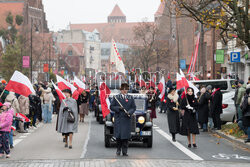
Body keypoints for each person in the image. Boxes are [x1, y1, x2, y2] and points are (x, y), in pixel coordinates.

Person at [110, 83, 136, 156]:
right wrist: (118, 108)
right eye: (123, 89)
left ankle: (125, 151)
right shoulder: (116, 97)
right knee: (118, 136)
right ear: (120, 90)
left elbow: (133, 107)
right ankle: (118, 149)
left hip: (127, 119)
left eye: (126, 89)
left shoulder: (130, 98)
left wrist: (129, 112)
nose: (125, 90)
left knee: (125, 136)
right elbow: (111, 107)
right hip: (118, 119)